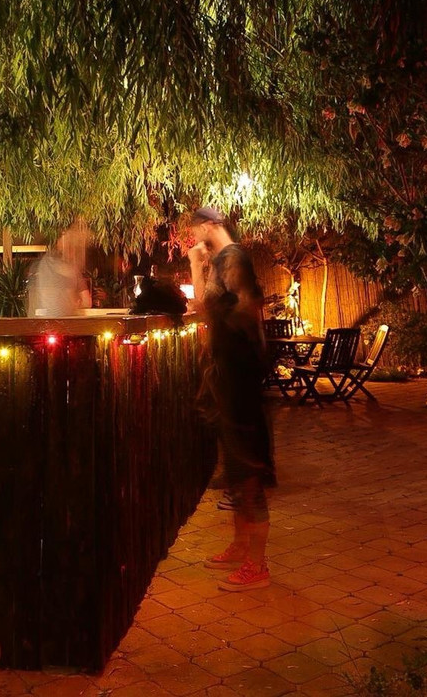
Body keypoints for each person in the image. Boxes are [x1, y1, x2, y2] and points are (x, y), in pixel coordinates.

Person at [189, 207, 274, 591]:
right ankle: (241, 546)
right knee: (238, 473)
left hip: (240, 381)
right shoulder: (223, 260)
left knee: (248, 472)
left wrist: (196, 265)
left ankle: (258, 565)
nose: (193, 237)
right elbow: (209, 311)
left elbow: (238, 310)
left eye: (195, 229)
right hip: (228, 379)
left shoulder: (234, 257)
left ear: (209, 225)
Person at [27, 219, 92, 316]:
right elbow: (86, 302)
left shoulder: (40, 266)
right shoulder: (73, 271)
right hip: (64, 321)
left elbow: (32, 303)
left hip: (41, 321)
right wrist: (75, 305)